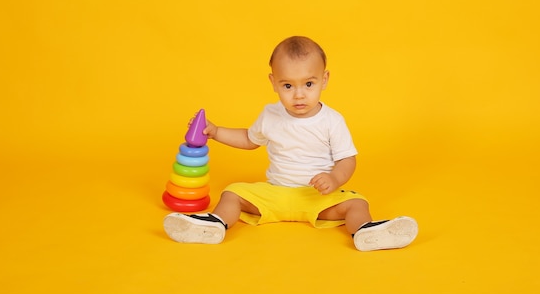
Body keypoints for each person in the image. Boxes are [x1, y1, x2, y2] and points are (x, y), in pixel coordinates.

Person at [163, 36, 417, 251]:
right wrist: (216, 132)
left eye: (309, 84)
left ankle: (365, 232)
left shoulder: (332, 121)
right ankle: (213, 225)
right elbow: (249, 140)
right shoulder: (270, 115)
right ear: (273, 83)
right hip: (275, 195)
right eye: (287, 85)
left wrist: (335, 180)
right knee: (232, 193)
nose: (298, 94)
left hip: (317, 197)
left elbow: (347, 159)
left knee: (357, 203)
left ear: (324, 80)